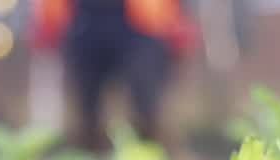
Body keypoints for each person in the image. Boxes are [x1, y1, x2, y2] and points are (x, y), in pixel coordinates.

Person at [32, 0, 199, 151]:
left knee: (147, 101)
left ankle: (152, 159)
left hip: (142, 22)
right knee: (87, 107)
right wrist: (49, 24)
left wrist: (178, 23)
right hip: (83, 18)